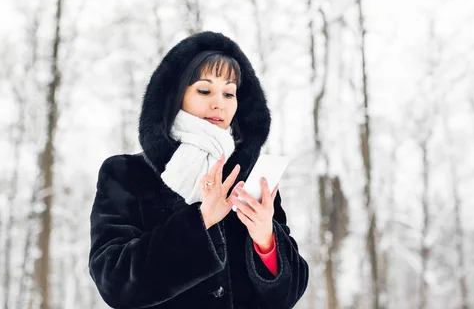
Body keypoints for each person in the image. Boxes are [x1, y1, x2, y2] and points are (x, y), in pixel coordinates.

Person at [89, 31, 309, 309]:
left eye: (229, 93)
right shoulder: (127, 174)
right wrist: (200, 220)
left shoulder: (250, 177)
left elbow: (289, 294)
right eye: (204, 90)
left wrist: (266, 240)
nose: (219, 103)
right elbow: (115, 281)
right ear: (175, 95)